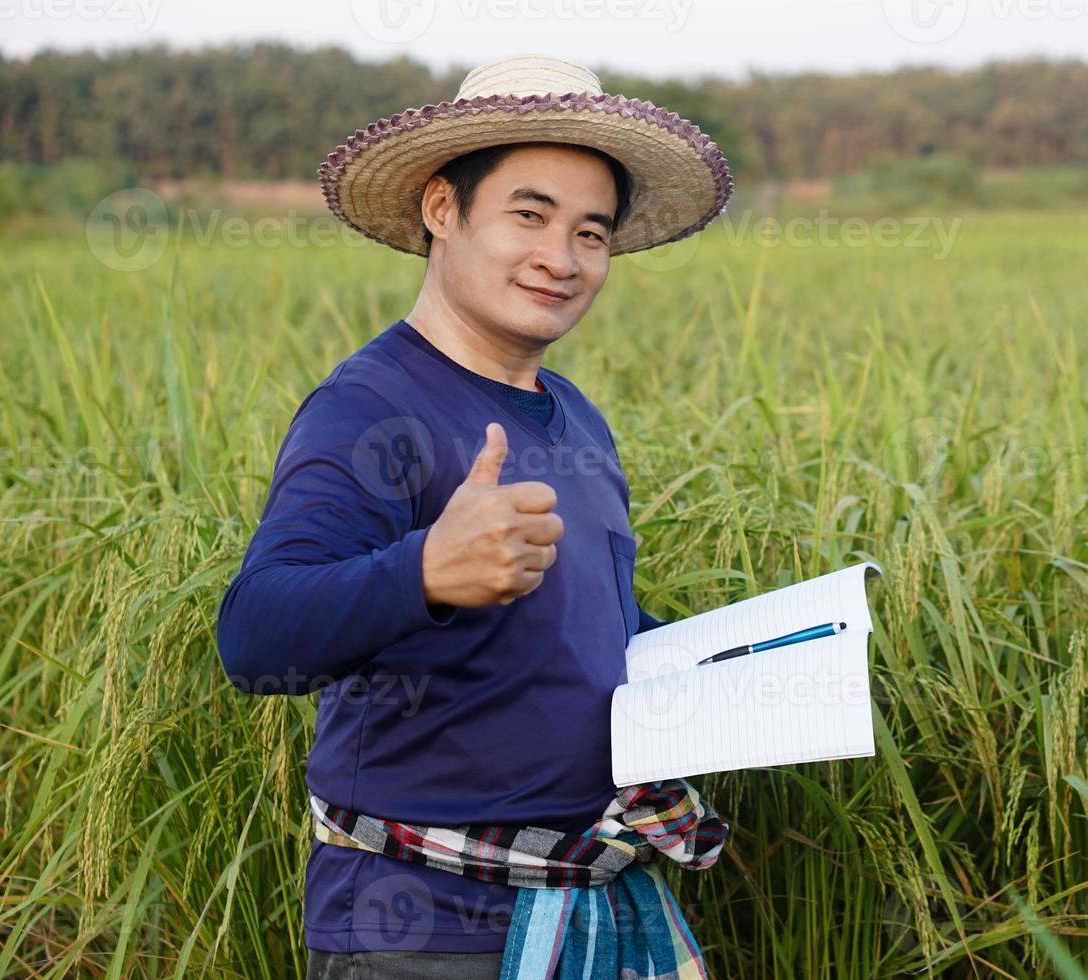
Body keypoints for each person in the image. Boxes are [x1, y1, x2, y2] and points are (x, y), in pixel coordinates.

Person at [216, 53, 733, 979]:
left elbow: (579, 628)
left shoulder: (573, 413)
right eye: (528, 216)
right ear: (443, 210)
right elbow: (254, 636)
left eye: (591, 233)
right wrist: (422, 573)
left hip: (589, 905)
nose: (560, 259)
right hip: (423, 934)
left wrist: (727, 663)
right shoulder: (370, 408)